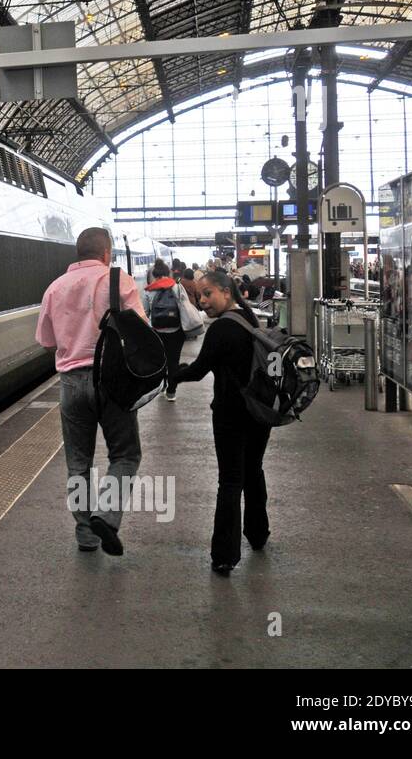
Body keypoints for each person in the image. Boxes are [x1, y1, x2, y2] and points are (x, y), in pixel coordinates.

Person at [36, 226, 146, 556]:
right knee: (125, 455)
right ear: (106, 254)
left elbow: (46, 341)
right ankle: (107, 516)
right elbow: (141, 329)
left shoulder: (54, 288)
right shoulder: (118, 280)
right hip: (112, 382)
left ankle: (85, 534)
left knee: (78, 463)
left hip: (71, 384)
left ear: (78, 253)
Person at [170, 270, 270, 576]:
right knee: (253, 470)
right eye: (200, 295)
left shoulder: (221, 329)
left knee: (229, 481)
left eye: (208, 293)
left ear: (227, 292)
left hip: (229, 414)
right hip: (258, 412)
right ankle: (258, 533)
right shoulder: (250, 319)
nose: (202, 301)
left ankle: (225, 555)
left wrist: (172, 374)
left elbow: (200, 370)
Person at [142, 259, 189, 401]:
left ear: (154, 275)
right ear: (167, 273)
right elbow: (185, 307)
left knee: (161, 361)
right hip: (176, 331)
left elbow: (144, 314)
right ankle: (171, 392)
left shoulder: (149, 291)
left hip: (157, 332)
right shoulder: (178, 287)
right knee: (173, 362)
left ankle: (162, 385)